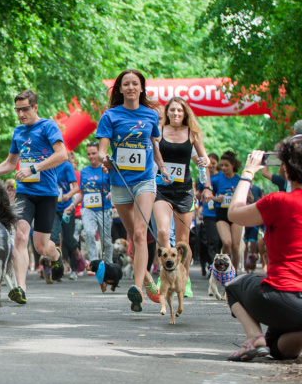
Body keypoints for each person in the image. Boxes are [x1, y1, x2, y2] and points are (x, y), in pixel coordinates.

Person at [0, 90, 67, 305]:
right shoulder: (18, 132)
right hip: (25, 192)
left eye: (25, 109)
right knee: (19, 236)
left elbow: (62, 154)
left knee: (41, 247)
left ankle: (55, 255)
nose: (21, 114)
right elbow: (10, 163)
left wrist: (33, 168)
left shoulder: (48, 126)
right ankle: (21, 288)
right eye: (17, 110)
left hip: (47, 193)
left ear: (35, 107)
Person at [96, 69, 170, 312]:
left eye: (134, 84)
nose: (130, 87)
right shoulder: (110, 115)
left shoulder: (151, 114)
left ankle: (137, 289)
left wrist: (162, 168)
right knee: (132, 236)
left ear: (141, 88)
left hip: (144, 180)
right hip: (119, 181)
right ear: (120, 89)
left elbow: (153, 145)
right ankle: (147, 279)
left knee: (140, 234)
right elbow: (102, 149)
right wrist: (105, 158)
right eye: (126, 84)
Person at [223, 141, 302, 362]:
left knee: (235, 284)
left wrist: (248, 172)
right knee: (276, 348)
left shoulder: (279, 201)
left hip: (285, 295)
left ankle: (254, 338)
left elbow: (234, 213)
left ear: (286, 170)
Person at [153, 97, 211, 296]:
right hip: (162, 189)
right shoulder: (158, 132)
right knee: (163, 231)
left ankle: (183, 280)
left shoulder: (192, 133)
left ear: (185, 113)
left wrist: (207, 186)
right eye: (172, 110)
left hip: (184, 191)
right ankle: (164, 275)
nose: (176, 114)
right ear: (167, 113)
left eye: (179, 110)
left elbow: (203, 160)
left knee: (182, 242)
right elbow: (149, 152)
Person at [80, 142, 113, 264]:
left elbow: (115, 185)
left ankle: (108, 264)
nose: (91, 156)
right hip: (88, 208)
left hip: (104, 208)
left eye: (94, 153)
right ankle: (94, 263)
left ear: (99, 153)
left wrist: (112, 193)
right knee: (88, 233)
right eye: (88, 154)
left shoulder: (107, 168)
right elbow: (82, 192)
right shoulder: (84, 171)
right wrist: (72, 205)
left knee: (106, 240)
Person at [211, 151, 243, 271]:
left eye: (226, 165)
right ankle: (223, 269)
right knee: (227, 242)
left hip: (236, 214)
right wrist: (216, 199)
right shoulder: (217, 180)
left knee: (235, 246)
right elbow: (210, 195)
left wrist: (248, 197)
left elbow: (249, 196)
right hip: (221, 214)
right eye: (222, 165)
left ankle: (233, 272)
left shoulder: (240, 180)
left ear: (233, 165)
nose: (223, 168)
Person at [50, 158, 80, 281]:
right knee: (53, 238)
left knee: (68, 239)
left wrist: (68, 195)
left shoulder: (67, 166)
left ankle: (75, 264)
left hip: (66, 208)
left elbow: (76, 188)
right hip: (52, 207)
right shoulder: (47, 163)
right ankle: (56, 270)